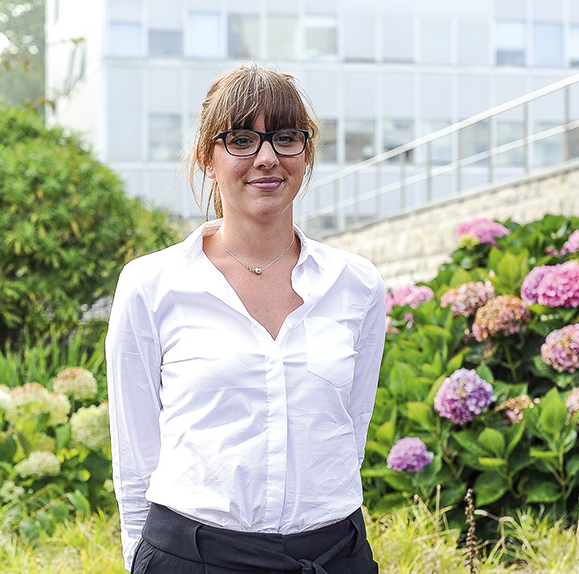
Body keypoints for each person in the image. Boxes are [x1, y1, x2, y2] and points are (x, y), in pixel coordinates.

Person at [106, 63, 386, 574]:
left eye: (285, 138)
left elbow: (350, 430)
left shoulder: (357, 285)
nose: (266, 158)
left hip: (333, 555)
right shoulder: (152, 285)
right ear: (206, 159)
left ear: (306, 152)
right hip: (194, 558)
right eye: (241, 139)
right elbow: (135, 454)